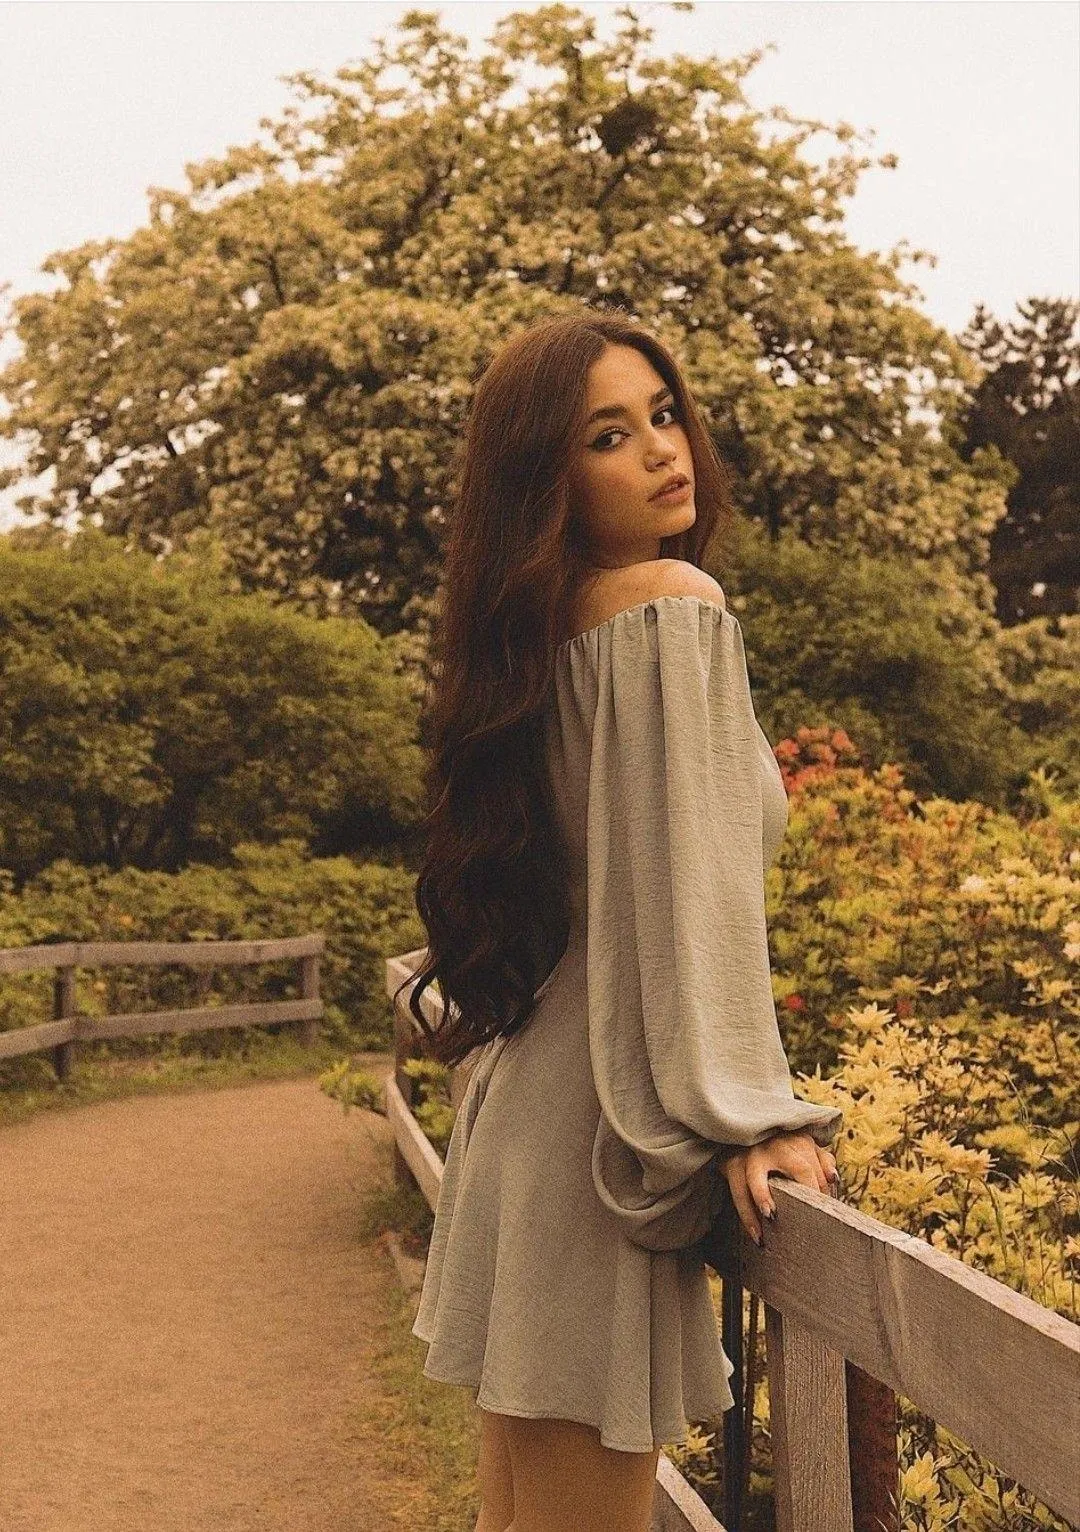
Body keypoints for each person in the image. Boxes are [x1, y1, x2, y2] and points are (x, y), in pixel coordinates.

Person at [399, 311, 844, 1532]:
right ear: (548, 476)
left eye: (662, 411)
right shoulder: (667, 605)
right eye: (610, 432)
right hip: (600, 1140)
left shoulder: (541, 638)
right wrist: (754, 1113)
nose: (662, 448)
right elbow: (692, 908)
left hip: (535, 1122)